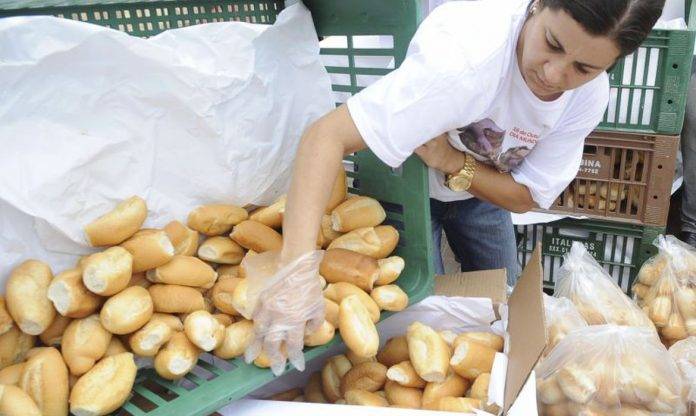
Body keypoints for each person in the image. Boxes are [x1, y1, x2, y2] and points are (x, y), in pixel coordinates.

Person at [243, 0, 666, 375]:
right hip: (404, 184)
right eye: (552, 43)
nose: (554, 74)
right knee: (416, 321)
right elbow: (325, 136)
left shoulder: (588, 97)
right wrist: (295, 271)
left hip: (483, 197)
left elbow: (527, 196)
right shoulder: (466, 59)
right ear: (537, 5)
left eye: (584, 68)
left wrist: (452, 162)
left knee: (507, 309)